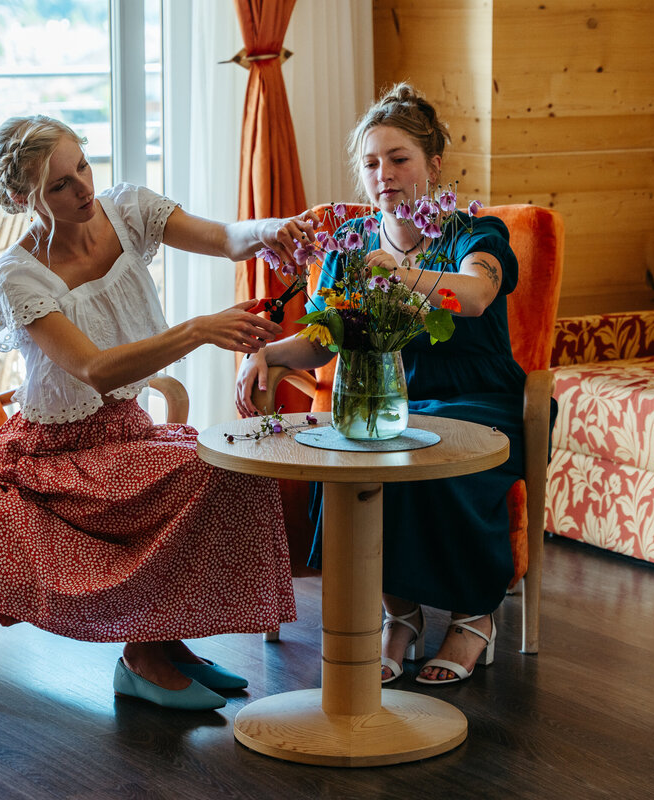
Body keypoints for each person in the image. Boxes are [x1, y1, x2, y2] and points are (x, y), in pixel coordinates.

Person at [0, 115, 317, 711]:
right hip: (59, 455)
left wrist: (273, 229)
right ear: (19, 198)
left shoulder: (127, 209)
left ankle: (166, 641)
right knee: (200, 470)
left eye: (82, 166)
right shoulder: (17, 275)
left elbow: (225, 238)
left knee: (235, 460)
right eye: (59, 185)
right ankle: (141, 655)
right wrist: (198, 330)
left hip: (128, 429)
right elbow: (95, 369)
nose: (83, 188)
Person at [236, 84, 539, 686]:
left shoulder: (474, 235)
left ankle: (473, 614)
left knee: (445, 466)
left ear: (434, 166)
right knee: (355, 468)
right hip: (383, 395)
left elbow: (475, 296)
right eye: (371, 163)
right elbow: (325, 336)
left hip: (479, 397)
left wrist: (399, 269)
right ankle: (397, 615)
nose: (384, 175)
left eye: (399, 159)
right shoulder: (352, 248)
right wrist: (265, 354)